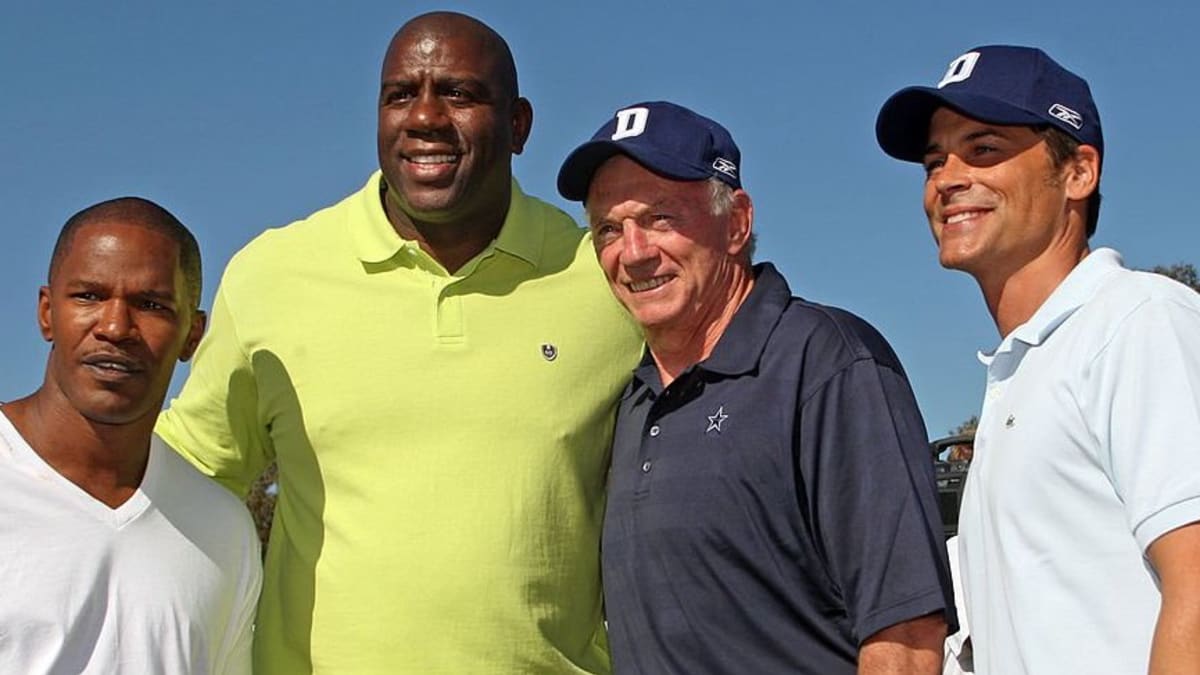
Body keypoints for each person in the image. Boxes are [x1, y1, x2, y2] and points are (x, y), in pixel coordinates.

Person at [156, 11, 643, 675]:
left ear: (519, 124)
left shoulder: (605, 283)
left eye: (460, 93)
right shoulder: (273, 274)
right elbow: (180, 477)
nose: (424, 117)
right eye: (399, 95)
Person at [557, 100, 956, 674]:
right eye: (609, 229)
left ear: (737, 222)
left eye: (661, 218)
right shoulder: (630, 402)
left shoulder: (827, 363)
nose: (634, 252)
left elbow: (908, 634)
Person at [876, 45, 1200, 674]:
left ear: (1079, 172)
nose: (947, 179)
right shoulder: (1022, 373)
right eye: (933, 162)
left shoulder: (1138, 322)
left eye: (985, 149)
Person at [0, 198, 261, 674]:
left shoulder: (222, 529)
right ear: (46, 313)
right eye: (89, 296)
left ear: (192, 335)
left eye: (150, 305)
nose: (116, 327)